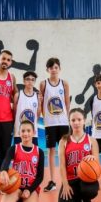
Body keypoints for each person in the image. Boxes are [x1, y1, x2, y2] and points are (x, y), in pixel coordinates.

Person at [58, 108, 100, 202]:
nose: (76, 123)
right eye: (73, 120)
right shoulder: (64, 141)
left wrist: (93, 159)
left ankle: (86, 199)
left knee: (89, 191)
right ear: (69, 122)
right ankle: (77, 200)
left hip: (86, 179)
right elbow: (62, 166)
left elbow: (97, 163)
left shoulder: (91, 140)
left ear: (84, 120)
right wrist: (65, 184)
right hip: (71, 179)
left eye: (79, 119)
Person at [0, 120, 44, 202]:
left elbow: (40, 177)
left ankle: (27, 201)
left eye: (28, 131)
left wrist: (29, 190)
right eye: (23, 131)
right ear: (19, 133)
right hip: (16, 186)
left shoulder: (39, 152)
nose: (26, 133)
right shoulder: (14, 149)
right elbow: (6, 161)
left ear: (34, 133)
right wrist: (3, 170)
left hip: (31, 188)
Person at [40, 58, 70, 192]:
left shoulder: (64, 84)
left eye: (56, 67)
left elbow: (67, 102)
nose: (53, 69)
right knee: (51, 151)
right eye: (51, 67)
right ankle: (52, 181)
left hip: (63, 122)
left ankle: (68, 179)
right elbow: (41, 103)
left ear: (59, 69)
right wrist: (45, 117)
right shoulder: (43, 84)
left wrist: (68, 117)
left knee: (65, 151)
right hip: (50, 123)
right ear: (47, 70)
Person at [13, 71, 41, 145]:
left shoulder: (37, 96)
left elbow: (37, 115)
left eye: (32, 79)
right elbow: (14, 113)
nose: (30, 81)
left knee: (33, 155)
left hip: (33, 133)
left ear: (35, 81)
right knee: (18, 155)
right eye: (28, 79)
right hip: (19, 132)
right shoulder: (18, 95)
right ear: (24, 81)